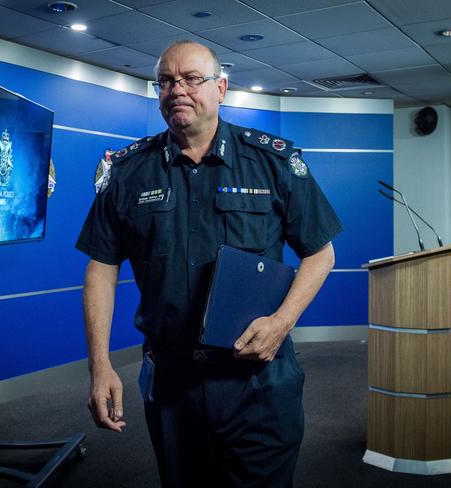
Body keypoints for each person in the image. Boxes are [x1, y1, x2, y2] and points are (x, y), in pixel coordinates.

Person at [76, 40, 342, 487]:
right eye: (166, 81)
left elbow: (321, 253)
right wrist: (100, 365)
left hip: (257, 380)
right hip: (174, 383)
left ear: (221, 88)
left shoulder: (272, 162)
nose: (177, 89)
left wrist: (281, 321)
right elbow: (100, 269)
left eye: (191, 79)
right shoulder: (127, 172)